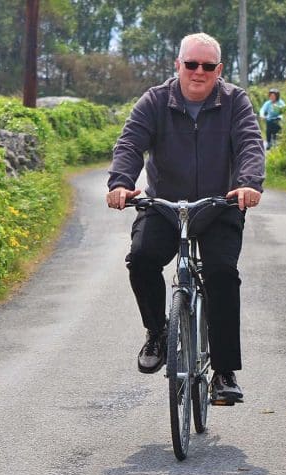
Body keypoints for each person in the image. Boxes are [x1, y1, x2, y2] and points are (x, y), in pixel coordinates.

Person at [106, 32, 265, 405]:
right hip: (164, 205)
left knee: (222, 274)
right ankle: (157, 333)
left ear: (219, 70)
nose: (198, 72)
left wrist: (247, 184)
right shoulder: (155, 101)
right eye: (191, 64)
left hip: (219, 205)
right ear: (177, 65)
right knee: (142, 258)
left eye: (208, 66)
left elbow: (249, 144)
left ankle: (224, 372)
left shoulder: (235, 101)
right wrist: (121, 183)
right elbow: (130, 144)